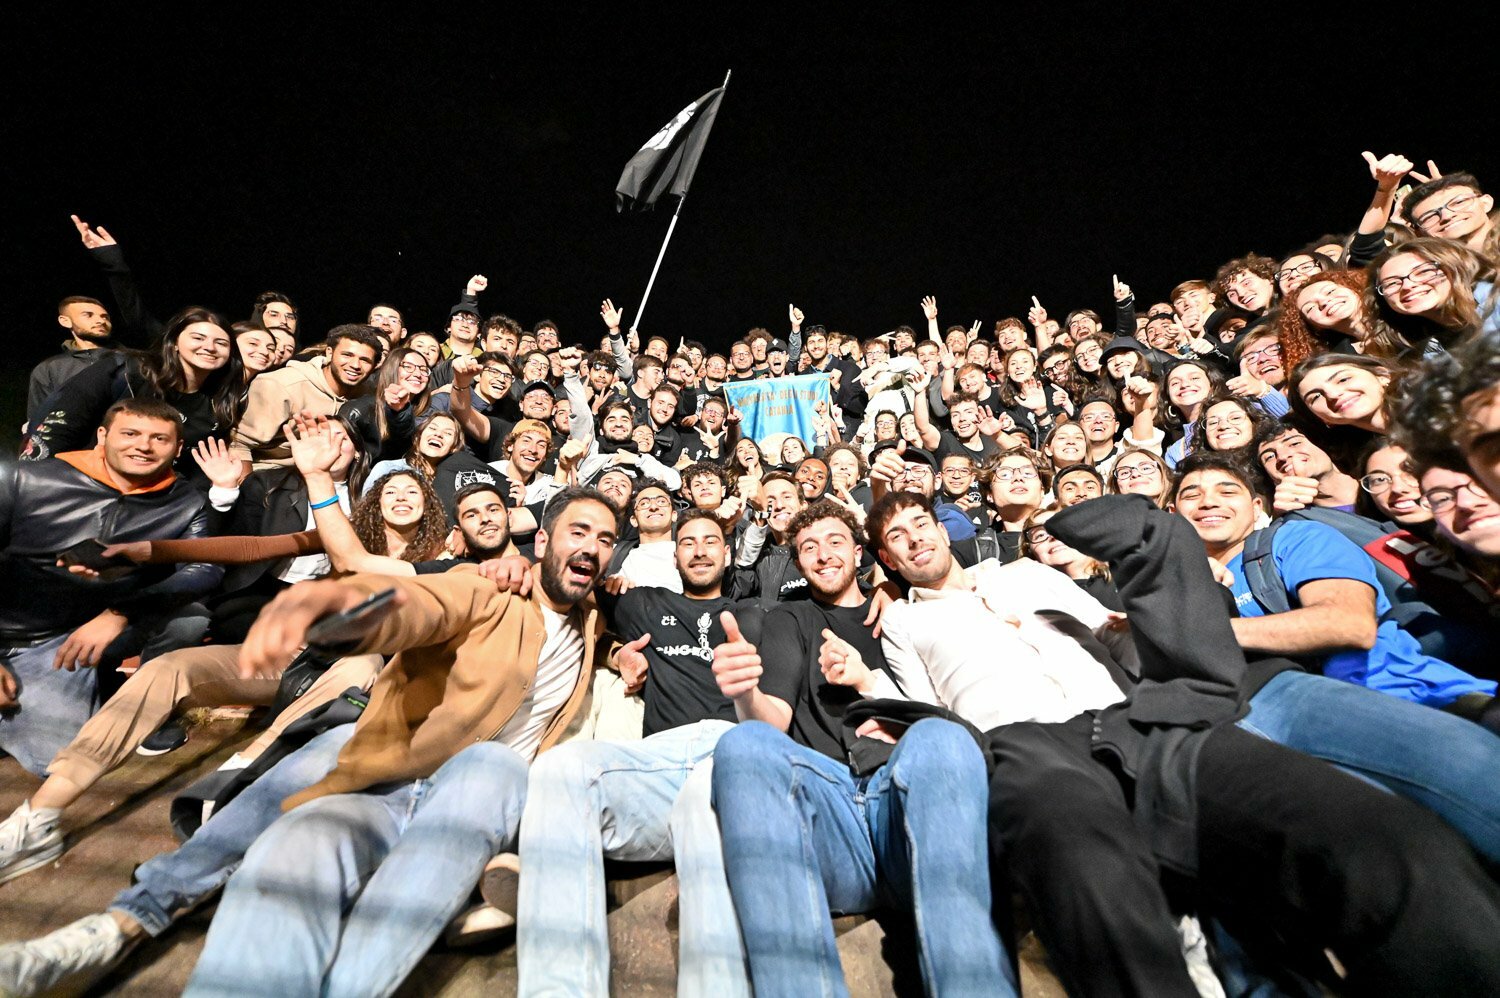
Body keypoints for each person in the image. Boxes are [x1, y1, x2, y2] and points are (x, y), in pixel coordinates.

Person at [864, 489, 1500, 994]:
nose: (915, 537)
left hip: (1132, 715)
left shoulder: (1027, 571)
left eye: (921, 522)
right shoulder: (903, 618)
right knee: (1089, 885)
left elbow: (1114, 634)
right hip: (1022, 744)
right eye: (897, 537)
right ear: (889, 560)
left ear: (944, 527)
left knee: (1375, 836)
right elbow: (932, 706)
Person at [0, 488, 617, 998]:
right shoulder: (487, 589)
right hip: (390, 768)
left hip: (479, 791)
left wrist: (626, 659)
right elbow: (420, 605)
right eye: (579, 531)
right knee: (307, 816)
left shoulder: (598, 621)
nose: (591, 547)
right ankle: (119, 925)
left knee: (485, 769)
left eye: (606, 539)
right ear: (543, 540)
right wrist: (337, 610)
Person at [709, 500, 1012, 996]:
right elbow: (774, 722)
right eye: (808, 547)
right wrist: (745, 692)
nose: (823, 555)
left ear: (860, 552)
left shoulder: (909, 612)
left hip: (911, 814)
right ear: (798, 562)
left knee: (940, 736)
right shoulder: (791, 618)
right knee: (744, 744)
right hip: (833, 819)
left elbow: (950, 714)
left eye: (834, 542)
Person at [514, 510, 753, 995]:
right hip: (657, 768)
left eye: (712, 541)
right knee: (561, 770)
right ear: (673, 554)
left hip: (731, 750)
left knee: (705, 809)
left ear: (728, 555)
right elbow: (566, 579)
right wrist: (514, 562)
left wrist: (887, 589)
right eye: (688, 542)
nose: (702, 550)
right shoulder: (643, 602)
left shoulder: (760, 613)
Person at [1172, 452, 1496, 719]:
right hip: (1295, 734)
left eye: (1227, 492)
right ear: (1171, 514)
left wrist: (1197, 632)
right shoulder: (1180, 584)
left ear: (1257, 508)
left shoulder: (1295, 539)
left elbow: (1349, 624)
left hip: (1416, 704)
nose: (1209, 502)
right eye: (1192, 494)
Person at [0, 399, 218, 779]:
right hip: (7, 633)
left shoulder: (186, 501)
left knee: (55, 763)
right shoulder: (24, 478)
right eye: (130, 434)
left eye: (159, 438)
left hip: (70, 641)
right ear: (102, 436)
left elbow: (205, 566)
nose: (144, 446)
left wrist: (122, 612)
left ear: (178, 449)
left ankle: (129, 703)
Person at [24, 307, 246, 487]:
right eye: (198, 337)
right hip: (84, 486)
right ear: (175, 343)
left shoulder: (219, 402)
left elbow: (196, 467)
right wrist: (33, 485)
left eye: (221, 343)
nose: (209, 347)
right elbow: (60, 425)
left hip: (151, 504)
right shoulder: (126, 372)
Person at [230, 324, 381, 470]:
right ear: (329, 353)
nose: (355, 365)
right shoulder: (280, 385)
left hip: (325, 474)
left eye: (365, 360)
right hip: (271, 472)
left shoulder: (365, 395)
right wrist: (246, 487)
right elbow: (239, 444)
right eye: (347, 355)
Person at [26, 296, 116, 429]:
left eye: (105, 317)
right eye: (88, 315)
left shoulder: (132, 361)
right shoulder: (50, 368)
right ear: (65, 321)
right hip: (75, 446)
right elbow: (39, 421)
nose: (100, 321)